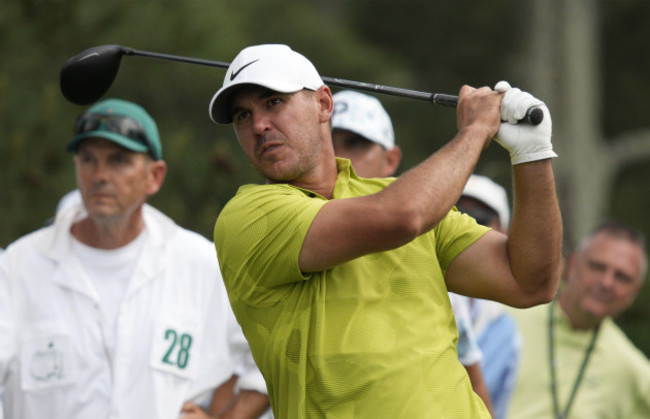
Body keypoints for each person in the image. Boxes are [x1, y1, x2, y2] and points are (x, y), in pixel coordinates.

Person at [208, 44, 563, 418]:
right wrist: (476, 130)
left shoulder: (398, 199)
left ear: (324, 105)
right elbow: (403, 216)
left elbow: (530, 282)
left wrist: (532, 156)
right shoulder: (247, 217)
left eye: (273, 103)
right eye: (242, 116)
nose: (259, 125)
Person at [0, 99, 270, 419]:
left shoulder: (202, 265)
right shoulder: (17, 267)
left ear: (154, 176)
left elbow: (268, 360)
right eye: (88, 159)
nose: (99, 175)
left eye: (118, 161)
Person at [331, 89, 494, 414]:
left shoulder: (433, 253)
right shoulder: (281, 226)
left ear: (390, 160)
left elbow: (473, 381)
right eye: (327, 144)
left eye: (355, 144)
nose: (338, 158)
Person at [507, 221, 650, 418]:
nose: (607, 282)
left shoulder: (633, 371)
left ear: (635, 291)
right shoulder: (507, 316)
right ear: (573, 264)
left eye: (622, 277)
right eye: (598, 267)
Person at [454, 174, 523, 419]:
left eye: (479, 218)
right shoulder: (408, 284)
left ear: (503, 231)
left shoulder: (507, 333)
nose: (464, 222)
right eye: (455, 211)